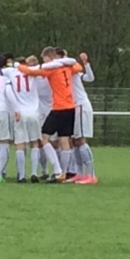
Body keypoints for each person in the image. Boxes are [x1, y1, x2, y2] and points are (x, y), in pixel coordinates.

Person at [16, 47, 82, 183]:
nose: (43, 61)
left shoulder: (52, 70)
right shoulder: (68, 68)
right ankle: (63, 173)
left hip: (58, 108)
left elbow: (30, 71)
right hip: (70, 107)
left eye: (45, 59)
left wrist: (18, 66)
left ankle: (58, 171)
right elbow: (79, 67)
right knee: (64, 140)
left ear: (49, 57)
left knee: (44, 137)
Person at [43, 52, 98, 184]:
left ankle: (91, 175)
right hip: (72, 107)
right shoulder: (63, 71)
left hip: (80, 105)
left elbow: (89, 78)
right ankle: (79, 173)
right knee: (73, 141)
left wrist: (86, 64)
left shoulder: (70, 70)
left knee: (81, 140)